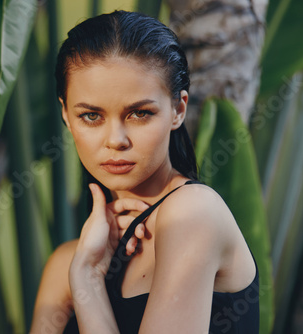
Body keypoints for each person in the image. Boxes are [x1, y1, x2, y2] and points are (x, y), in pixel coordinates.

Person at [30, 10, 259, 334]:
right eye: (91, 116)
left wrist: (87, 283)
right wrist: (83, 270)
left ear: (178, 110)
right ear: (66, 115)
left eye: (139, 113)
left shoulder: (193, 213)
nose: (115, 140)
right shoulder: (66, 263)